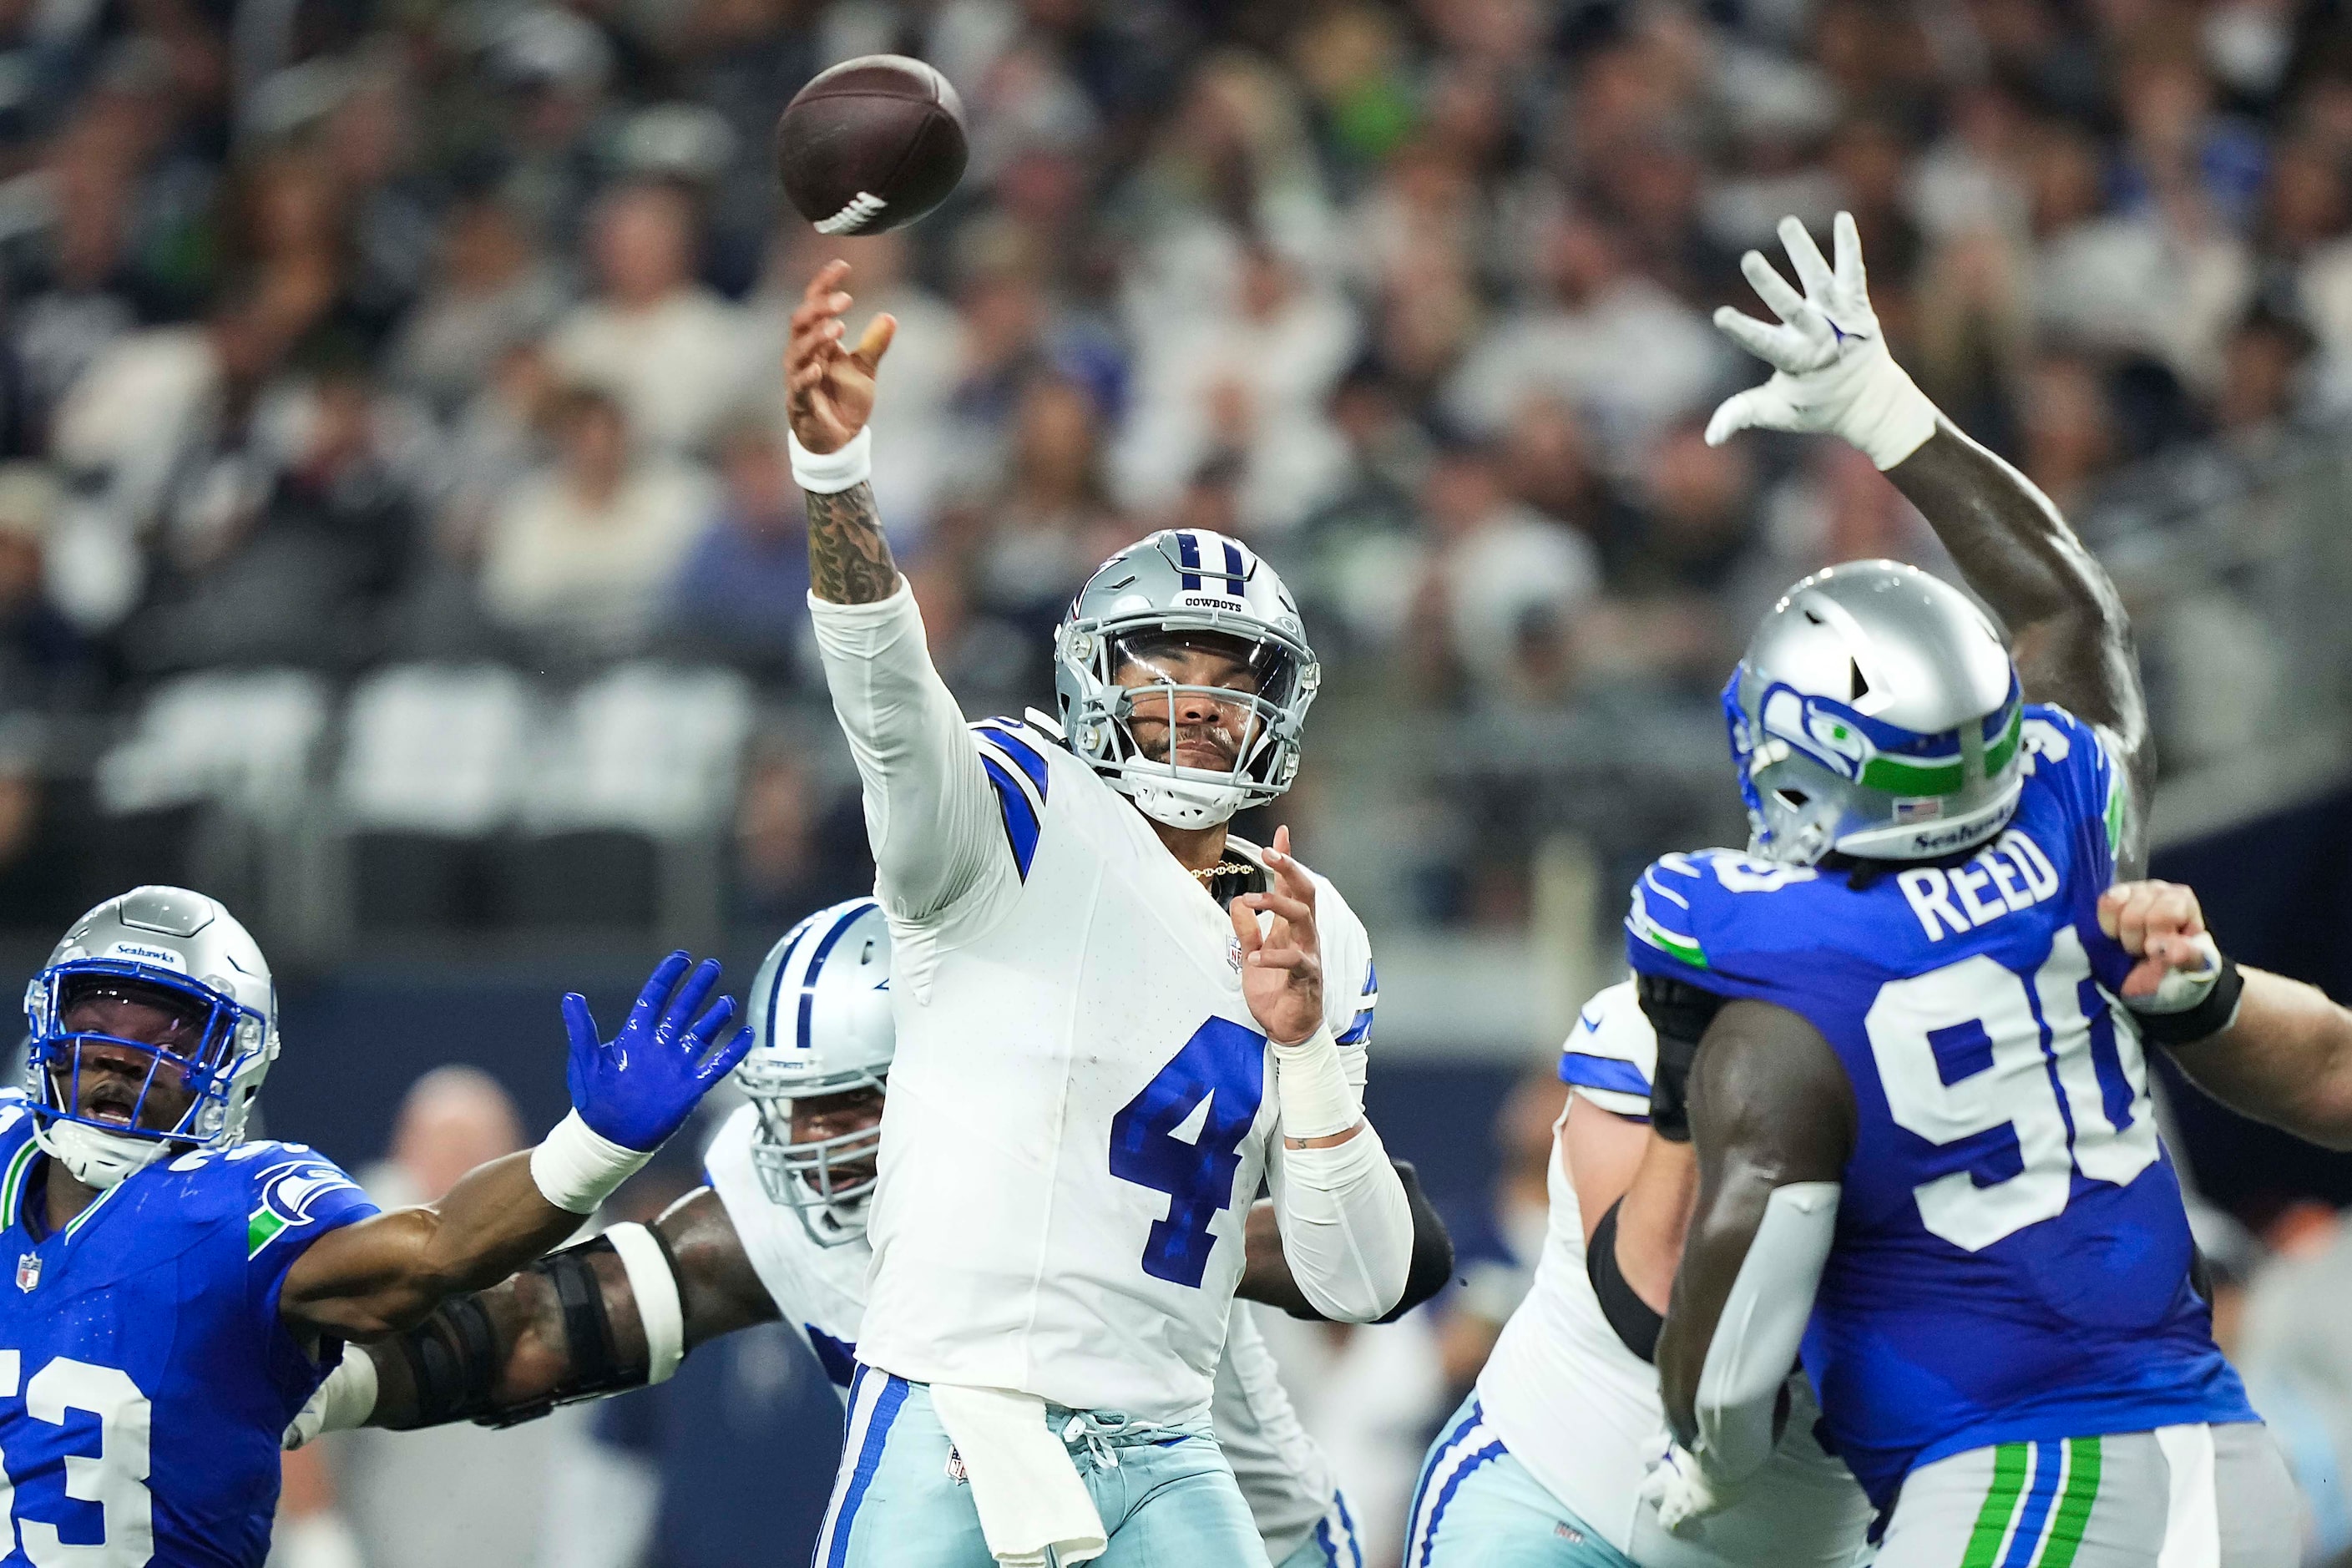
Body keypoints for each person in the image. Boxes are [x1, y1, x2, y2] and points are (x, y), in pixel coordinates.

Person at [1621, 215, 2297, 1568]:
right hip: (2225, 1456)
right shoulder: (2068, 818)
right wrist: (1887, 408)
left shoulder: (1785, 979)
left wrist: (1702, 1456)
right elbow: (2067, 613)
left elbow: (1734, 1351)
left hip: (2032, 1482)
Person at [781, 259, 1418, 1565]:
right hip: (961, 1399)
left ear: (1275, 713)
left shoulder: (1313, 924)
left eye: (1230, 679)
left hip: (1167, 1439)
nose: (1196, 703)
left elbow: (1359, 1279)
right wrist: (835, 480)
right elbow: (893, 711)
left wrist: (1302, 1048)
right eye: (1162, 667)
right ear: (1091, 683)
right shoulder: (1017, 806)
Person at [286, 898, 1456, 1568]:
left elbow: (1395, 1252)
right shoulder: (770, 1185)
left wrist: (1303, 1210)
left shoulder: (1074, 1158)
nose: (818, 1140)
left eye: (853, 1101)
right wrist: (314, 1390)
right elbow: (556, 1323)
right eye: (794, 1104)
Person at [0, 884, 748, 1567]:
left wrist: (591, 1147)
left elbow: (434, 1251)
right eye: (92, 1019)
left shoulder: (232, 1207)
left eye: (167, 1038)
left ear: (238, 1062)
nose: (118, 1056)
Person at [1407, 979, 1874, 1568]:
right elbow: (1655, 1305)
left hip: (1821, 1541)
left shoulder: (1981, 1049)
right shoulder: (1656, 1021)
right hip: (1564, 1506)